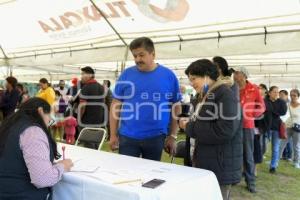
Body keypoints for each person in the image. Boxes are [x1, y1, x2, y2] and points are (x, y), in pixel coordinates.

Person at [109, 37, 181, 161]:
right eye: (135, 56)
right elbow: (115, 105)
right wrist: (113, 134)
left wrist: (172, 136)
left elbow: (176, 106)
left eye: (141, 55)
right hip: (127, 136)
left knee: (151, 176)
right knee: (126, 174)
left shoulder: (168, 76)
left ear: (153, 54)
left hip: (156, 137)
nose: (137, 59)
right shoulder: (126, 74)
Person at [179, 59, 242, 200]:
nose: (192, 83)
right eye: (190, 80)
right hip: (205, 160)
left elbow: (224, 130)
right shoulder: (205, 96)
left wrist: (189, 127)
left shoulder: (226, 95)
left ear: (207, 76)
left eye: (194, 78)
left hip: (219, 165)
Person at [0, 98, 73, 199]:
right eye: (49, 118)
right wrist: (63, 166)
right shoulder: (33, 132)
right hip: (21, 195)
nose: (49, 123)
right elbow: (42, 179)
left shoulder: (10, 126)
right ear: (40, 111)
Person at [234, 67, 265, 193]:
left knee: (248, 155)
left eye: (237, 73)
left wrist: (252, 114)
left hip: (247, 126)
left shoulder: (254, 88)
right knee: (234, 153)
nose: (234, 75)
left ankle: (250, 182)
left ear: (244, 75)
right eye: (234, 73)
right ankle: (235, 177)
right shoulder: (231, 88)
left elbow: (262, 106)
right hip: (233, 125)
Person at [267, 86, 287, 173]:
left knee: (275, 148)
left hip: (276, 128)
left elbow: (283, 112)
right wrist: (275, 111)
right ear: (269, 92)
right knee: (262, 147)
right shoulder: (265, 101)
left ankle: (273, 166)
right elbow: (264, 111)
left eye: (277, 92)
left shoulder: (281, 102)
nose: (276, 93)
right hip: (265, 127)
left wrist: (271, 111)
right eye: (274, 92)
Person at [254, 84, 272, 176]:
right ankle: (248, 169)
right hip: (252, 127)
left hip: (261, 128)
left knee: (260, 148)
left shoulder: (267, 102)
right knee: (253, 148)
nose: (259, 90)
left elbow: (268, 116)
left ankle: (255, 169)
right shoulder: (254, 100)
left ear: (265, 90)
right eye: (258, 88)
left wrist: (265, 128)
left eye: (261, 88)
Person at [78, 66, 105, 131]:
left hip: (87, 122)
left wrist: (79, 119)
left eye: (83, 74)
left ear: (90, 75)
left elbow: (82, 107)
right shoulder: (101, 87)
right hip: (99, 121)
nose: (81, 77)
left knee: (85, 140)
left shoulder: (85, 88)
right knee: (96, 140)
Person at [280, 89, 300, 169]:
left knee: (296, 146)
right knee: (282, 144)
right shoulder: (287, 104)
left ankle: (296, 162)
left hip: (297, 128)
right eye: (291, 95)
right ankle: (276, 159)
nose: (292, 97)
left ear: (298, 96)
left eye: (294, 95)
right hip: (287, 127)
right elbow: (283, 115)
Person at [279, 90, 293, 161]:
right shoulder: (281, 103)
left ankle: (289, 156)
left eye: (282, 95)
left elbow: (288, 115)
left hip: (287, 124)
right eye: (280, 94)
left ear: (287, 95)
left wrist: (285, 122)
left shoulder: (289, 104)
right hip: (282, 123)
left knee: (288, 140)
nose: (280, 96)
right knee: (283, 140)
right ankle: (284, 155)